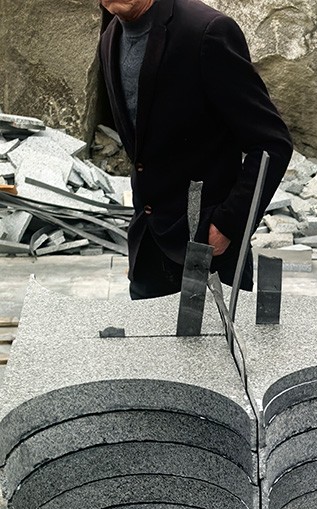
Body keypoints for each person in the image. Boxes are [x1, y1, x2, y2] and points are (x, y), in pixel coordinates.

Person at [99, 0, 293, 299]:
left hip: (209, 250)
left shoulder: (206, 32)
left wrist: (228, 225)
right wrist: (141, 240)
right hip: (149, 253)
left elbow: (272, 143)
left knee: (215, 332)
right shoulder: (111, 35)